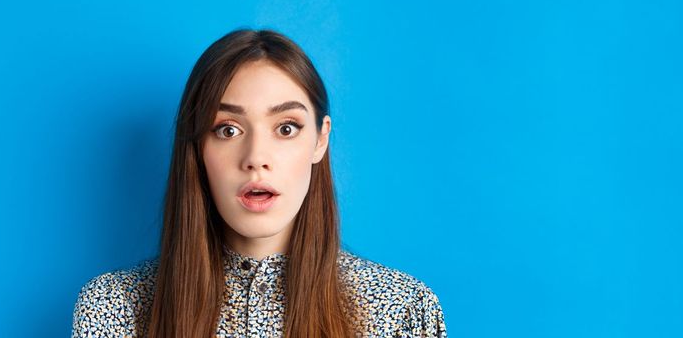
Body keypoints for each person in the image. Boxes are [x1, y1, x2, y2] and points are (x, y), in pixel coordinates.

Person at [71, 28, 447, 337]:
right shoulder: (115, 310)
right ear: (197, 147)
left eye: (286, 128)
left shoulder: (401, 311)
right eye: (228, 129)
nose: (255, 158)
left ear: (320, 140)